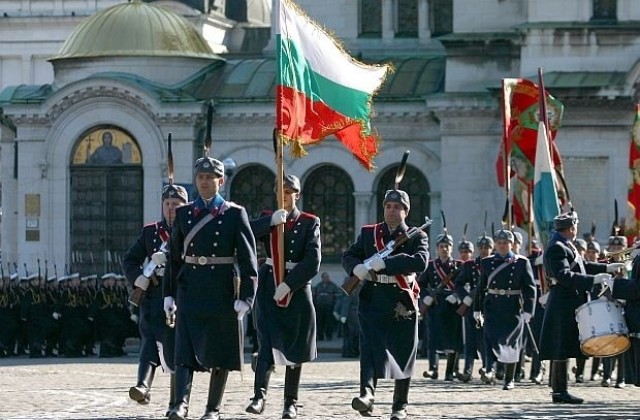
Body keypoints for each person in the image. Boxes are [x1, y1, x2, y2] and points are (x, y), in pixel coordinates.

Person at [164, 156, 258, 420]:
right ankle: (179, 404)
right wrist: (168, 294)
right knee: (184, 349)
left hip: (221, 290)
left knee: (220, 351)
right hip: (190, 288)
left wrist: (247, 298)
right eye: (200, 178)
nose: (204, 183)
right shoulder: (183, 213)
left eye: (210, 178)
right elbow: (173, 259)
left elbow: (248, 259)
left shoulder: (234, 213)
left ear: (221, 180)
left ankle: (212, 408)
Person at [342, 189, 429, 420]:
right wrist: (355, 268)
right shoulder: (369, 233)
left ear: (406, 211)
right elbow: (349, 255)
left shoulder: (416, 236)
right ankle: (366, 396)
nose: (392, 210)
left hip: (402, 301)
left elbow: (421, 262)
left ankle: (399, 405)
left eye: (397, 207)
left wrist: (387, 263)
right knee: (370, 349)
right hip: (374, 297)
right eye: (388, 206)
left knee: (403, 352)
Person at [245, 174, 320, 419]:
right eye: (281, 191)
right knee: (265, 341)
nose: (285, 195)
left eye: (289, 191)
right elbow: (245, 234)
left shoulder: (310, 222)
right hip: (269, 284)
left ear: (297, 194)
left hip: (296, 287)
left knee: (295, 346)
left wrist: (289, 284)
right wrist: (269, 224)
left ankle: (290, 402)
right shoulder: (269, 217)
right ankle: (259, 396)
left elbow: (313, 260)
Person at [540, 211, 624, 403]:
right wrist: (593, 280)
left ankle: (560, 390)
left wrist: (605, 268)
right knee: (560, 345)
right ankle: (559, 391)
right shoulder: (557, 247)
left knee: (565, 344)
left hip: (569, 300)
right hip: (562, 301)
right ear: (571, 228)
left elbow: (581, 265)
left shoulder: (564, 244)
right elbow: (564, 275)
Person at [122, 184, 188, 410]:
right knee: (149, 340)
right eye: (167, 204)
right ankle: (142, 386)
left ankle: (177, 401)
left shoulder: (191, 230)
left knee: (176, 347)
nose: (171, 209)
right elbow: (130, 259)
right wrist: (138, 277)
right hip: (153, 295)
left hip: (180, 295)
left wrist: (171, 259)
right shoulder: (151, 232)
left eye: (176, 205)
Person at [473, 229, 536, 390]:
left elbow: (530, 288)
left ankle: (509, 379)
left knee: (511, 344)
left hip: (513, 307)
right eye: (499, 243)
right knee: (490, 340)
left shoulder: (521, 262)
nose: (502, 246)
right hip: (493, 306)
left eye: (506, 243)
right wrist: (477, 309)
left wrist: (529, 310)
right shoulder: (487, 262)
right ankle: (489, 370)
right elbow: (481, 288)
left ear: (512, 244)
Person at [419, 229, 462, 381]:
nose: (444, 249)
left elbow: (466, 284)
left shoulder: (459, 266)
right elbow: (421, 285)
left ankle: (451, 371)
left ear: (451, 248)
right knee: (433, 337)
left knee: (453, 338)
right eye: (441, 246)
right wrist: (425, 298)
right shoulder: (430, 266)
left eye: (447, 246)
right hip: (435, 304)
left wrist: (457, 296)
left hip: (452, 306)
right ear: (437, 248)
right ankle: (433, 369)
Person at [454, 233, 494, 382]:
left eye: (487, 247)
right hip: (472, 305)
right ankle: (467, 371)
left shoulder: (495, 263)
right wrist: (464, 296)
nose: (484, 250)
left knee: (487, 338)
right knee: (470, 339)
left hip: (489, 305)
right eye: (481, 247)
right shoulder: (470, 265)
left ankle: (488, 369)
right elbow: (458, 284)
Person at [312, 272, 340, 341]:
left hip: (329, 307)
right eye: (324, 277)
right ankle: (320, 336)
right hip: (319, 307)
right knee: (320, 322)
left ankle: (329, 336)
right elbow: (314, 296)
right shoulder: (318, 285)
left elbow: (337, 296)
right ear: (322, 278)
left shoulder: (333, 286)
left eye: (327, 277)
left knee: (329, 322)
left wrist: (336, 305)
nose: (326, 278)